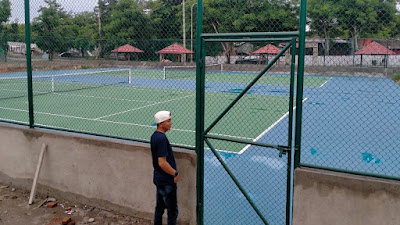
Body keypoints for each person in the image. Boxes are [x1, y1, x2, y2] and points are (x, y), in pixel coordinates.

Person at [150, 110, 179, 225]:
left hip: (159, 178)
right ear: (161, 123)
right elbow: (162, 162)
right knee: (172, 211)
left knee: (160, 208)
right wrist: (174, 173)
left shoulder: (155, 136)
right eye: (168, 121)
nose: (171, 123)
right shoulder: (161, 139)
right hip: (166, 180)